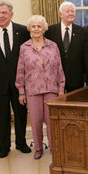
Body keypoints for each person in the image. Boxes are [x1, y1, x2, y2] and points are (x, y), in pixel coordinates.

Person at [0, 0, 31, 158]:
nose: (0, 16)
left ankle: (21, 143)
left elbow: (26, 56)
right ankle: (4, 147)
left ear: (11, 14)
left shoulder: (23, 31)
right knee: (1, 117)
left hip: (19, 83)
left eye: (4, 13)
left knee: (20, 114)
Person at [15, 15, 65, 159]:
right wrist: (21, 92)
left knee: (52, 121)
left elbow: (59, 69)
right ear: (29, 29)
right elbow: (20, 70)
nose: (36, 29)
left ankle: (54, 146)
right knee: (35, 121)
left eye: (39, 26)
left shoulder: (53, 45)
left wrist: (61, 88)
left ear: (44, 29)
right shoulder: (24, 48)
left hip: (51, 89)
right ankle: (38, 148)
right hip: (32, 90)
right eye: (33, 26)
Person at [45, 1, 88, 92]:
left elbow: (87, 57)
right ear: (60, 14)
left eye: (73, 11)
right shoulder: (49, 31)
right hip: (54, 78)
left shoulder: (82, 32)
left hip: (76, 79)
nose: (71, 14)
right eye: (68, 11)